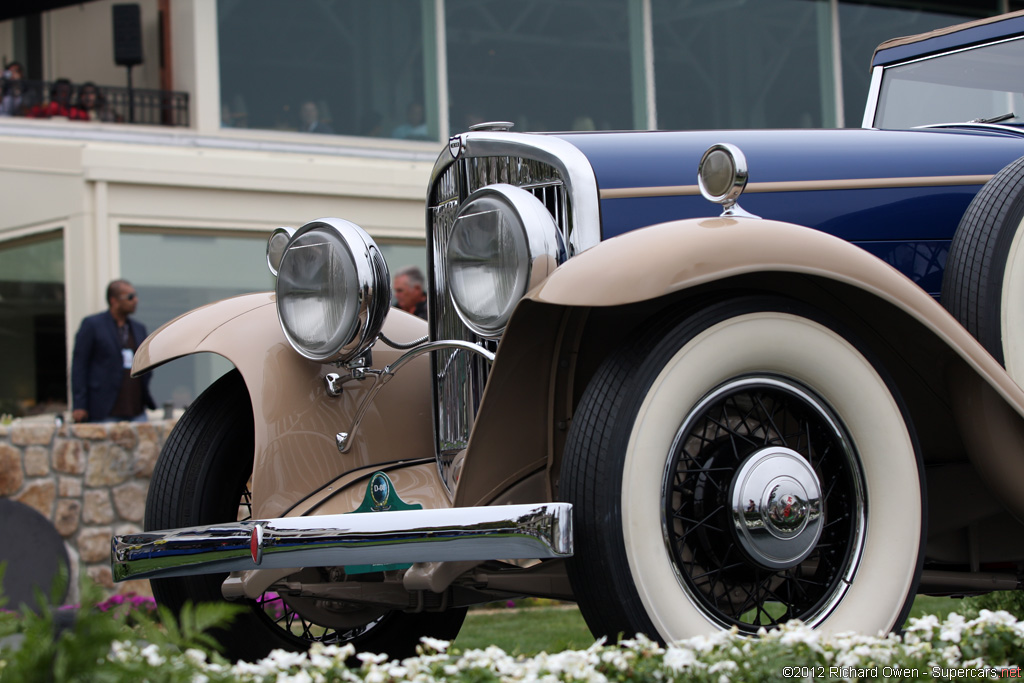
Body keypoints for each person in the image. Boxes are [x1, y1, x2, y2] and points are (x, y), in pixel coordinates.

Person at [71, 280, 156, 423]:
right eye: (130, 297)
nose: (135, 300)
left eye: (135, 296)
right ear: (114, 301)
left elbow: (145, 363)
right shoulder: (93, 325)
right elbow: (79, 366)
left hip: (136, 410)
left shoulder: (138, 328)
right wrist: (79, 405)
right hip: (104, 410)